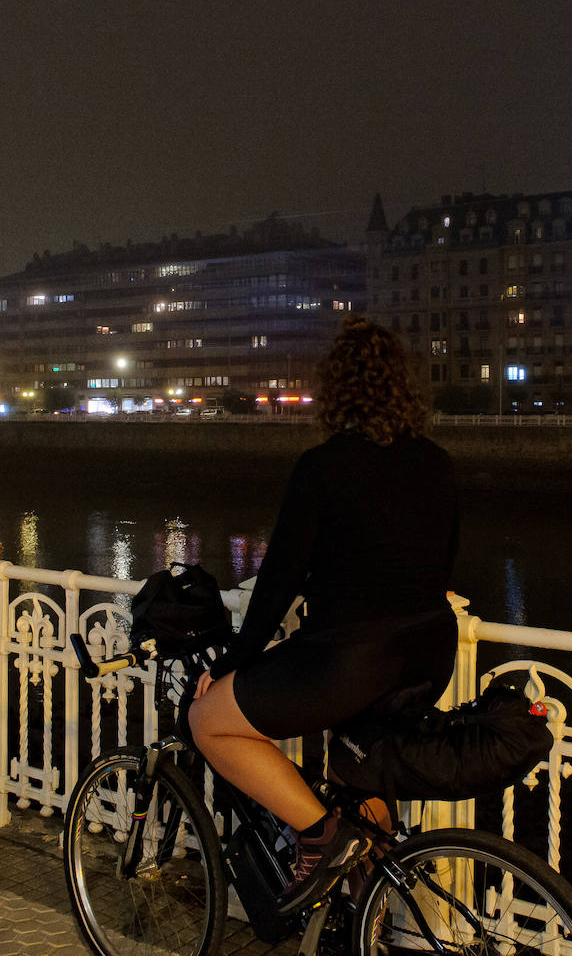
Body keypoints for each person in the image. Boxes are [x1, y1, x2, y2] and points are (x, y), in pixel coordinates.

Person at [188, 314, 460, 911]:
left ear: (337, 390)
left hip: (354, 657)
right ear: (403, 386)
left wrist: (232, 662)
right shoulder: (437, 462)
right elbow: (440, 563)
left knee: (208, 721)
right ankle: (367, 920)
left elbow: (277, 583)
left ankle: (318, 832)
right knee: (357, 769)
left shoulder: (323, 466)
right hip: (428, 652)